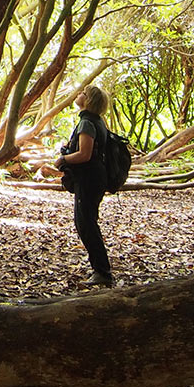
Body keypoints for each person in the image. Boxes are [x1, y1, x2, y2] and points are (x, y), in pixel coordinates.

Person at [57, 84, 113, 287]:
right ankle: (99, 268)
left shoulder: (87, 123)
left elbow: (84, 155)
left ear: (88, 100)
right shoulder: (96, 121)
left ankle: (102, 271)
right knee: (87, 221)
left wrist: (62, 159)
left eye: (83, 93)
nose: (79, 94)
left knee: (86, 223)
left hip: (89, 178)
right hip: (95, 178)